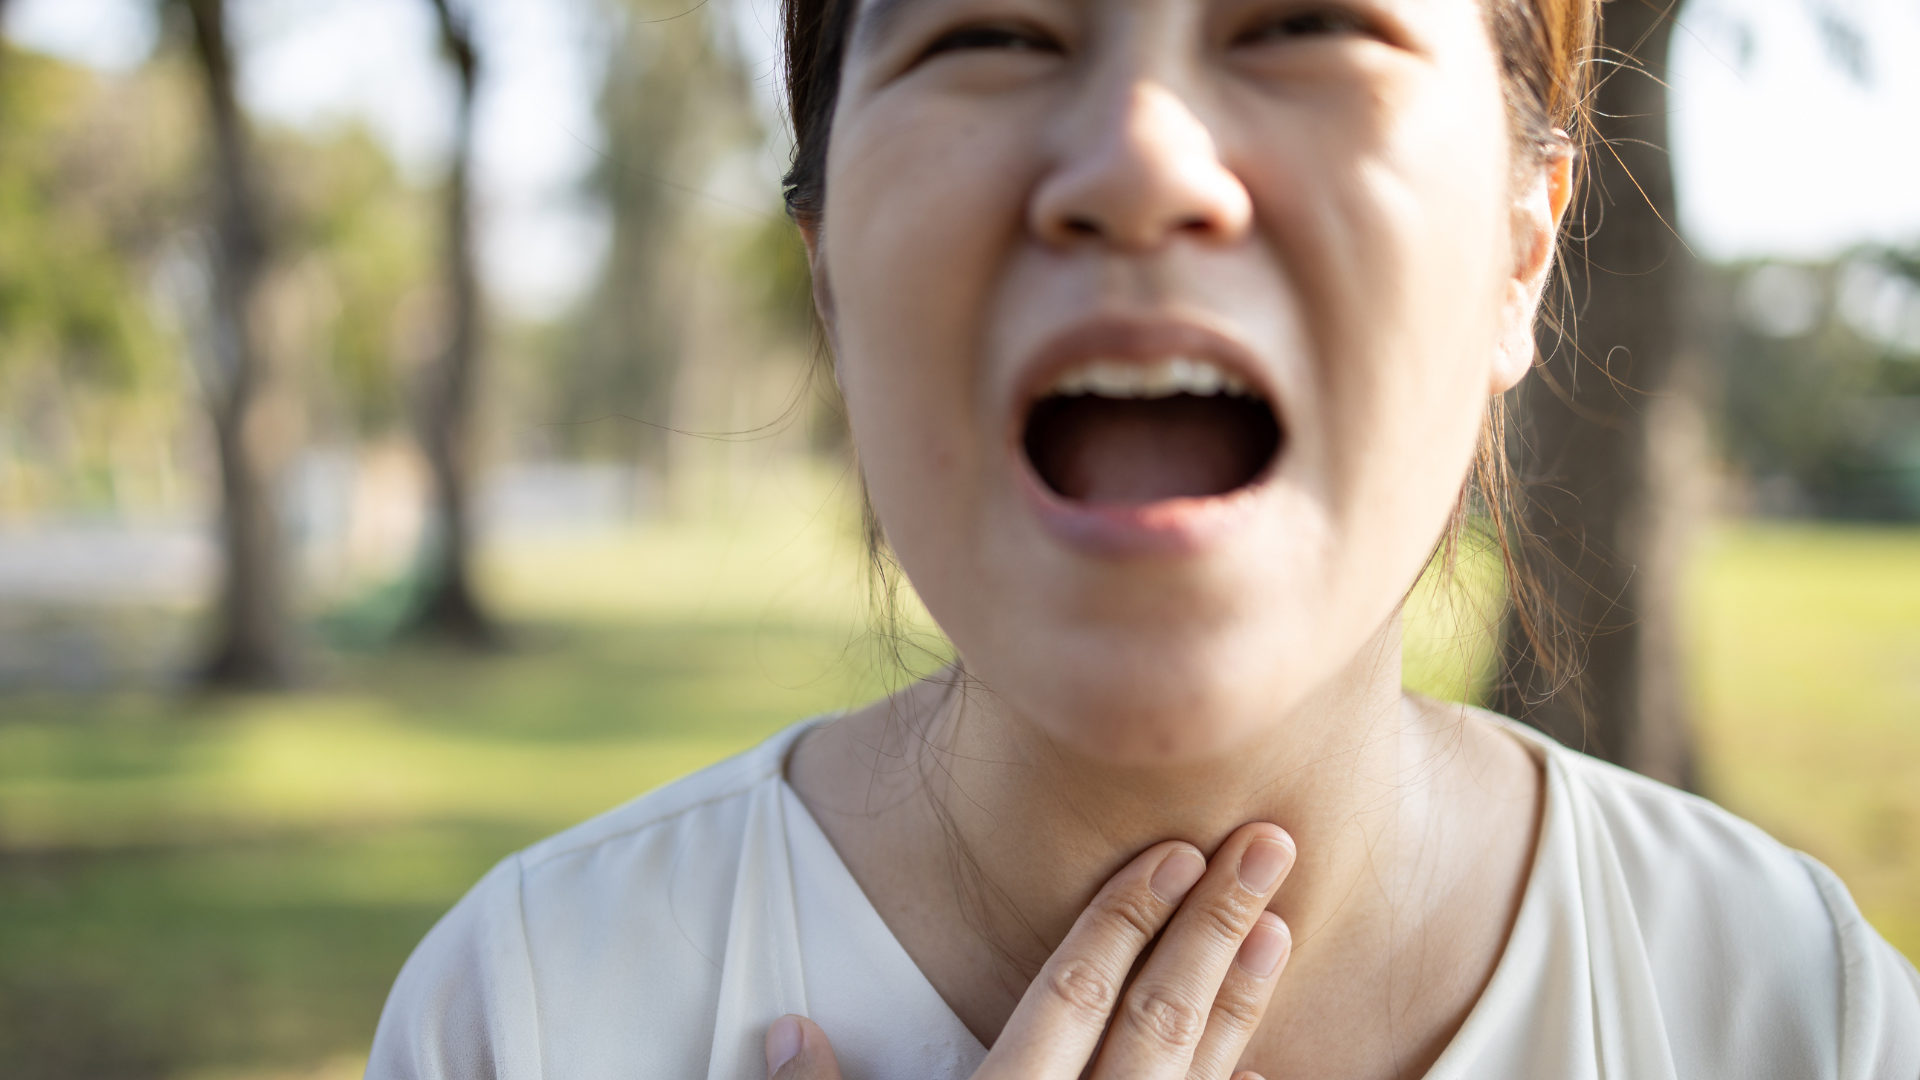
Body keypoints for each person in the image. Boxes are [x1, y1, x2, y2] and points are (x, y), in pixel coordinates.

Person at [366, 0, 1920, 1075]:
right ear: (829, 265)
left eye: (1304, 21)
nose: (1139, 161)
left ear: (1523, 245)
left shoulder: (1805, 1015)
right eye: (987, 29)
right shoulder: (526, 1018)